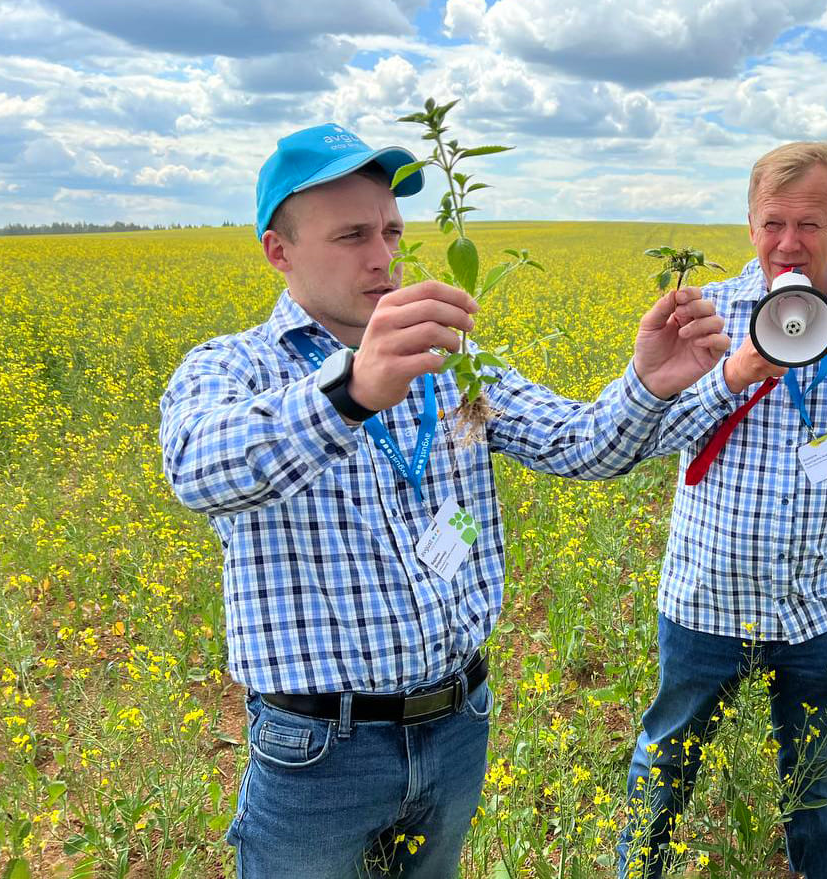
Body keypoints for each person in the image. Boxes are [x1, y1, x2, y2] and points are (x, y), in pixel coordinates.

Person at [158, 123, 730, 879]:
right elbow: (199, 467)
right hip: (319, 750)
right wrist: (352, 390)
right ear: (279, 250)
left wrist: (648, 381)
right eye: (353, 234)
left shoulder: (447, 364)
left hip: (457, 724)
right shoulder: (232, 366)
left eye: (392, 230)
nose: (383, 256)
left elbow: (578, 444)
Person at [616, 141, 827, 879]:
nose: (787, 243)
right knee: (664, 762)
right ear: (749, 225)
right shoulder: (705, 318)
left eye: (809, 225)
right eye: (771, 224)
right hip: (704, 599)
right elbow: (640, 435)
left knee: (822, 782)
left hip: (823, 610)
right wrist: (730, 374)